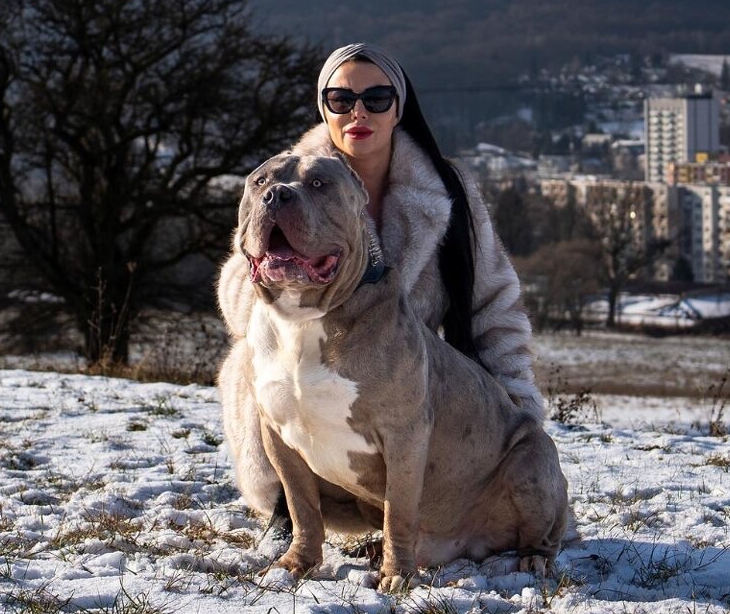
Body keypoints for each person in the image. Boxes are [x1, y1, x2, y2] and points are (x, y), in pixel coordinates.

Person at [217, 42, 543, 529]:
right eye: (341, 99)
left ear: (400, 107)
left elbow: (494, 307)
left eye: (377, 98)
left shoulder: (447, 193)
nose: (358, 112)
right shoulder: (282, 183)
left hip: (408, 398)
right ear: (323, 107)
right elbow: (242, 296)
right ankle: (288, 511)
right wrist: (287, 269)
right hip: (308, 385)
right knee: (257, 356)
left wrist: (514, 404)